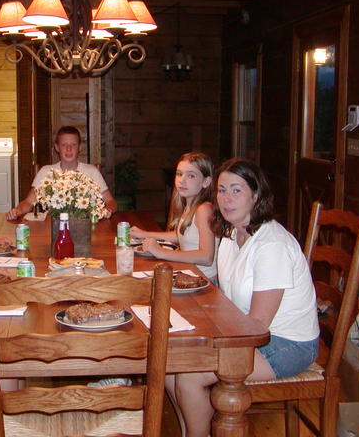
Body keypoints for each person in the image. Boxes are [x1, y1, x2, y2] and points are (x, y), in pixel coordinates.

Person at [168, 159, 319, 437]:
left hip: (286, 343)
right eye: (222, 190)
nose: (226, 199)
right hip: (246, 331)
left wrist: (207, 342)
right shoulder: (230, 233)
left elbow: (258, 325)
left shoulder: (271, 244)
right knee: (170, 363)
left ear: (256, 195)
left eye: (236, 191)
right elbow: (224, 298)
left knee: (189, 373)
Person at [129, 152, 218, 282]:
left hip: (205, 281)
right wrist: (144, 234)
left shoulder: (204, 209)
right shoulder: (190, 206)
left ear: (206, 181)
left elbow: (207, 257)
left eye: (191, 176)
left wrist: (161, 252)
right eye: (179, 174)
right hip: (190, 275)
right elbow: (181, 235)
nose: (182, 180)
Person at [6, 126, 117, 220]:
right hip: (53, 226)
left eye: (73, 144)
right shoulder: (46, 171)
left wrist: (108, 209)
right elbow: (28, 202)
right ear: (57, 147)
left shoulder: (91, 171)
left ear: (80, 147)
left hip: (84, 225)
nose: (68, 149)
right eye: (64, 145)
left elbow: (111, 201)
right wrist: (17, 211)